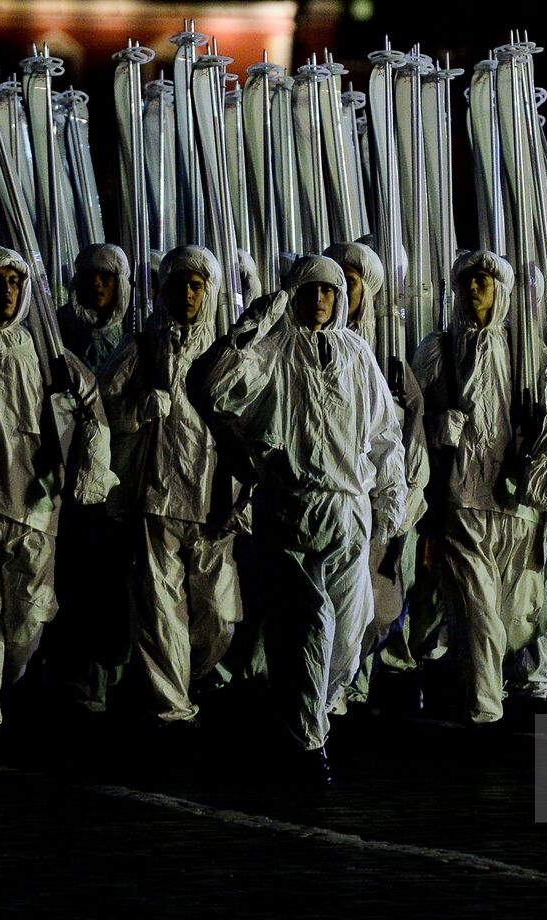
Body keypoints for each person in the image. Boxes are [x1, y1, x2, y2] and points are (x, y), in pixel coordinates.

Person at [195, 254, 405, 783]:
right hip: (288, 510)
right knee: (307, 625)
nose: (319, 300)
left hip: (347, 512)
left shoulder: (357, 357)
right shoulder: (272, 354)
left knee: (350, 630)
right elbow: (211, 387)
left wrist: (389, 497)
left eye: (328, 292)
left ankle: (310, 716)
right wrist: (259, 321)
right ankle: (307, 745)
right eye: (308, 290)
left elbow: (383, 435)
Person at [0, 248, 116, 732]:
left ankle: (6, 679)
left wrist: (91, 469)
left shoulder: (44, 353)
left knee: (27, 619)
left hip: (34, 503)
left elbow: (90, 404)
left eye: (16, 281)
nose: (8, 290)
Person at [411, 250, 547, 723]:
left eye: (484, 279)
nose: (475, 288)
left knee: (515, 617)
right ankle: (485, 714)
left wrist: (541, 462)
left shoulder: (528, 353)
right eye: (468, 280)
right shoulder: (439, 349)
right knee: (479, 612)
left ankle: (486, 687)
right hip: (464, 501)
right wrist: (439, 427)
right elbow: (408, 418)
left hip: (516, 506)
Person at [99, 245, 242, 726]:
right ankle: (171, 708)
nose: (187, 292)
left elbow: (255, 424)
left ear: (210, 291)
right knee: (160, 609)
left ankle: (192, 672)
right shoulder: (140, 347)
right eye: (178, 283)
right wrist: (139, 407)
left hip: (214, 498)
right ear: (161, 290)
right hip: (157, 494)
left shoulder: (229, 351)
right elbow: (99, 410)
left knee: (217, 613)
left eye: (196, 284)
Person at [323, 241, 429, 710]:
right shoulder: (311, 350)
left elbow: (405, 434)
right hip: (326, 498)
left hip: (372, 503)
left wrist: (403, 491)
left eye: (352, 282)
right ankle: (331, 694)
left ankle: (351, 680)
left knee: (376, 604)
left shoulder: (388, 363)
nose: (344, 291)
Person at [58, 243, 130, 372]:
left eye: (105, 276)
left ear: (120, 284)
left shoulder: (133, 322)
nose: (96, 283)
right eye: (89, 277)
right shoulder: (60, 320)